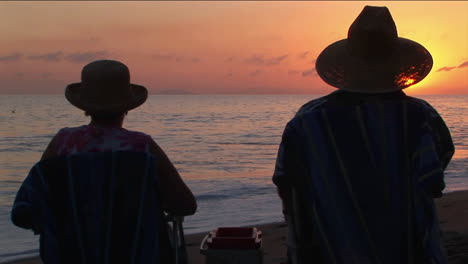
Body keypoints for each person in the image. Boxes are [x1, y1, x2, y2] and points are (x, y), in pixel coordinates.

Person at [273, 6, 454, 264]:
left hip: (331, 246)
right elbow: (433, 179)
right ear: (396, 62)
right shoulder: (420, 117)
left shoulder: (308, 119)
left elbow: (287, 181)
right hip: (407, 248)